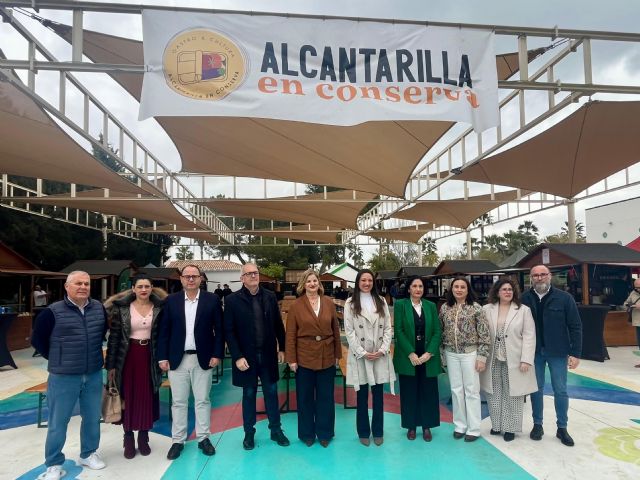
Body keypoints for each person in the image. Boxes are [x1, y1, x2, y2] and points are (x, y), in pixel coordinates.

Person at [31, 271, 107, 480]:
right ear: (67, 286)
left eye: (86, 283)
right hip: (63, 376)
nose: (83, 287)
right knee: (58, 422)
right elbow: (38, 340)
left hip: (93, 374)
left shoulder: (98, 309)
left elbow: (101, 334)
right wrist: (59, 358)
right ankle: (54, 464)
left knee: (92, 418)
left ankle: (88, 454)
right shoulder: (52, 312)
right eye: (78, 283)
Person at [157, 265, 224, 460]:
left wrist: (217, 354)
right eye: (187, 276)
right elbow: (164, 330)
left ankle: (204, 438)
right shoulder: (171, 301)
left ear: (201, 279)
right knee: (178, 402)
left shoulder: (212, 300)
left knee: (202, 400)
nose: (191, 279)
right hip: (177, 359)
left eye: (195, 276)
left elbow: (219, 330)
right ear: (181, 279)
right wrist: (162, 356)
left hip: (203, 358)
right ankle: (178, 440)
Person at [224, 263, 290, 450]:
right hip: (246, 357)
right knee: (249, 394)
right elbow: (229, 331)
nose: (253, 276)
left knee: (271, 392)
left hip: (268, 354)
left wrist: (282, 348)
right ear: (242, 278)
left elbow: (278, 324)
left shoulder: (270, 297)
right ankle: (249, 433)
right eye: (249, 274)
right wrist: (237, 356)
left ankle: (276, 430)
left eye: (256, 273)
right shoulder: (232, 300)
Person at [104, 275, 167, 459]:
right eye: (140, 286)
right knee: (128, 396)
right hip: (127, 357)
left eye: (147, 286)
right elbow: (114, 337)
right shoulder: (122, 307)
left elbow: (163, 334)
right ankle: (128, 437)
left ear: (152, 287)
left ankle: (144, 437)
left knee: (146, 396)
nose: (143, 290)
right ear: (133, 289)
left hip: (150, 356)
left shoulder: (159, 307)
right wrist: (111, 365)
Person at [522, 265, 582, 447]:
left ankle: (562, 428)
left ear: (550, 276)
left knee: (560, 390)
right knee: (536, 389)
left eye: (543, 274)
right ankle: (537, 425)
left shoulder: (565, 298)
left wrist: (575, 353)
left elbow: (575, 326)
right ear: (531, 278)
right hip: (534, 352)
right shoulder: (524, 299)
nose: (539, 278)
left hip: (558, 352)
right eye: (535, 275)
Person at [285, 269, 342, 447]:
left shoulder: (328, 303)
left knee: (326, 398)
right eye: (308, 281)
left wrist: (337, 354)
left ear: (319, 283)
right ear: (304, 284)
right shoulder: (296, 305)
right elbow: (290, 334)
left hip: (327, 355)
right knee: (305, 398)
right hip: (304, 357)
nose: (312, 284)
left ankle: (325, 433)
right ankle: (307, 434)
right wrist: (291, 359)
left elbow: (336, 330)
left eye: (315, 281)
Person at [480, 278, 537, 442]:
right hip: (492, 358)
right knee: (493, 393)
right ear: (497, 292)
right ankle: (497, 425)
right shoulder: (486, 309)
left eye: (510, 289)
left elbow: (529, 336)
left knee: (513, 394)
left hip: (515, 359)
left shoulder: (523, 310)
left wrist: (526, 359)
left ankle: (510, 428)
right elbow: (482, 333)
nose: (507, 292)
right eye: (504, 289)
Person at [344, 269, 396, 446]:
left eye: (370, 280)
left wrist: (383, 349)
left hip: (379, 355)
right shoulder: (350, 303)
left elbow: (388, 327)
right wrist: (362, 352)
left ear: (374, 283)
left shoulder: (381, 301)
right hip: (361, 356)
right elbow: (349, 331)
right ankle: (363, 432)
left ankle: (378, 431)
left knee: (379, 396)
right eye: (363, 280)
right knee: (362, 397)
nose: (367, 283)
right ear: (358, 282)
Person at [439, 276, 490, 442]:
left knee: (472, 390)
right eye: (456, 287)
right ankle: (460, 425)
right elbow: (441, 331)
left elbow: (484, 333)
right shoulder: (445, 308)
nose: (459, 290)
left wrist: (482, 357)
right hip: (451, 354)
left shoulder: (476, 308)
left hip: (470, 354)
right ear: (451, 289)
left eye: (462, 287)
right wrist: (442, 355)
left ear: (468, 290)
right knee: (456, 390)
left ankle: (474, 428)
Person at [393, 275, 441, 442]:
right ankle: (411, 426)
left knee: (429, 391)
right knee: (409, 392)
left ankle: (427, 426)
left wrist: (429, 353)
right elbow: (398, 331)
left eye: (420, 286)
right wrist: (410, 353)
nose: (418, 289)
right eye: (414, 286)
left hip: (428, 356)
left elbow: (437, 331)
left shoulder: (431, 306)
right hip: (409, 356)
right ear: (409, 289)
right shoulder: (400, 305)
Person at [623, 278, 640, 368]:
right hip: (637, 322)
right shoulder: (633, 293)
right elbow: (625, 303)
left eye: (639, 287)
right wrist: (629, 305)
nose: (637, 289)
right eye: (636, 287)